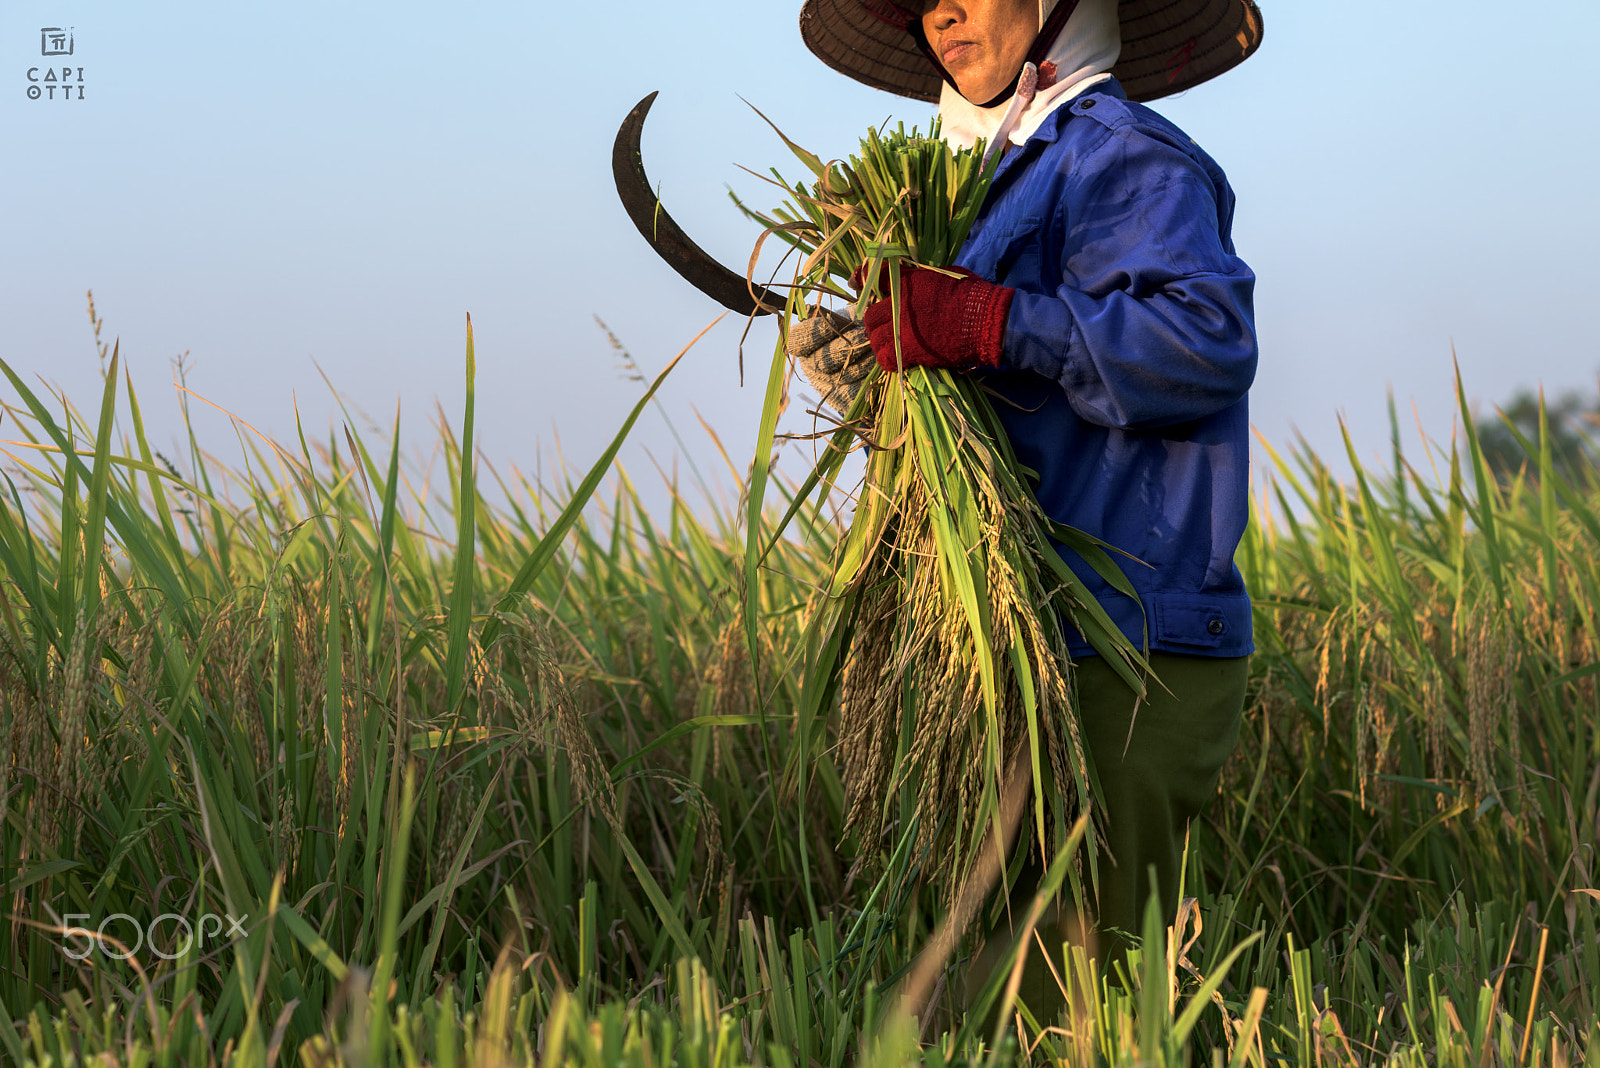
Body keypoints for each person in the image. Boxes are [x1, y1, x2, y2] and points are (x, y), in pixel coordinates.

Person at [786, 0, 1265, 1018]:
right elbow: (1011, 425)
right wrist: (881, 388)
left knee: (1080, 1004)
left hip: (1124, 642)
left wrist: (987, 318)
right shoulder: (982, 191)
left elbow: (1206, 344)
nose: (939, 13)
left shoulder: (1120, 159)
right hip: (1017, 640)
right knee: (991, 1008)